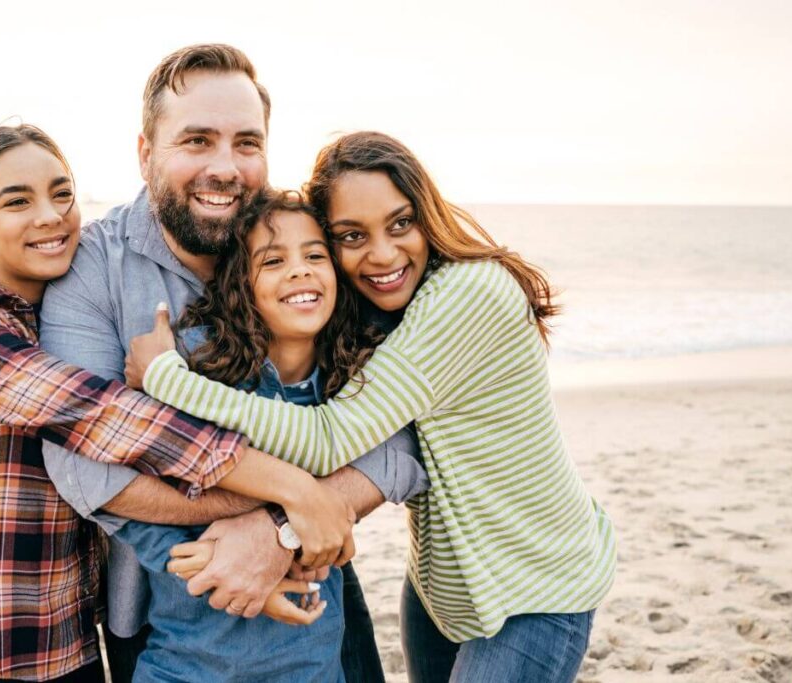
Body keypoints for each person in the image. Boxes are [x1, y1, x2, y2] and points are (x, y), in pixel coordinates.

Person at [126, 131, 618, 683]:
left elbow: (328, 439)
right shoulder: (382, 310)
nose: (382, 253)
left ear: (426, 213)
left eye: (400, 223)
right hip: (445, 590)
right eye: (352, 236)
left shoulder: (469, 294)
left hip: (538, 585)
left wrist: (168, 379)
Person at [0, 124, 354, 683]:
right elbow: (99, 416)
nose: (50, 216)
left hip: (72, 631)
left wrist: (278, 525)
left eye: (62, 195)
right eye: (17, 201)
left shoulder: (65, 312)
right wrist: (296, 493)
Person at [40, 45, 428, 683]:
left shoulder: (304, 243)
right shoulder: (92, 269)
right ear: (146, 152)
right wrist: (278, 506)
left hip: (312, 583)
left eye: (247, 142)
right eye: (197, 140)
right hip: (167, 616)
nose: (226, 167)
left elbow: (404, 430)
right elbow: (82, 465)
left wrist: (279, 531)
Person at [118, 190, 420, 682]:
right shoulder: (197, 365)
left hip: (310, 664)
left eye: (315, 255)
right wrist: (214, 570)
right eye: (273, 260)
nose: (299, 270)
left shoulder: (359, 384)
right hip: (185, 662)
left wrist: (289, 536)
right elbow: (129, 490)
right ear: (242, 282)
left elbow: (404, 457)